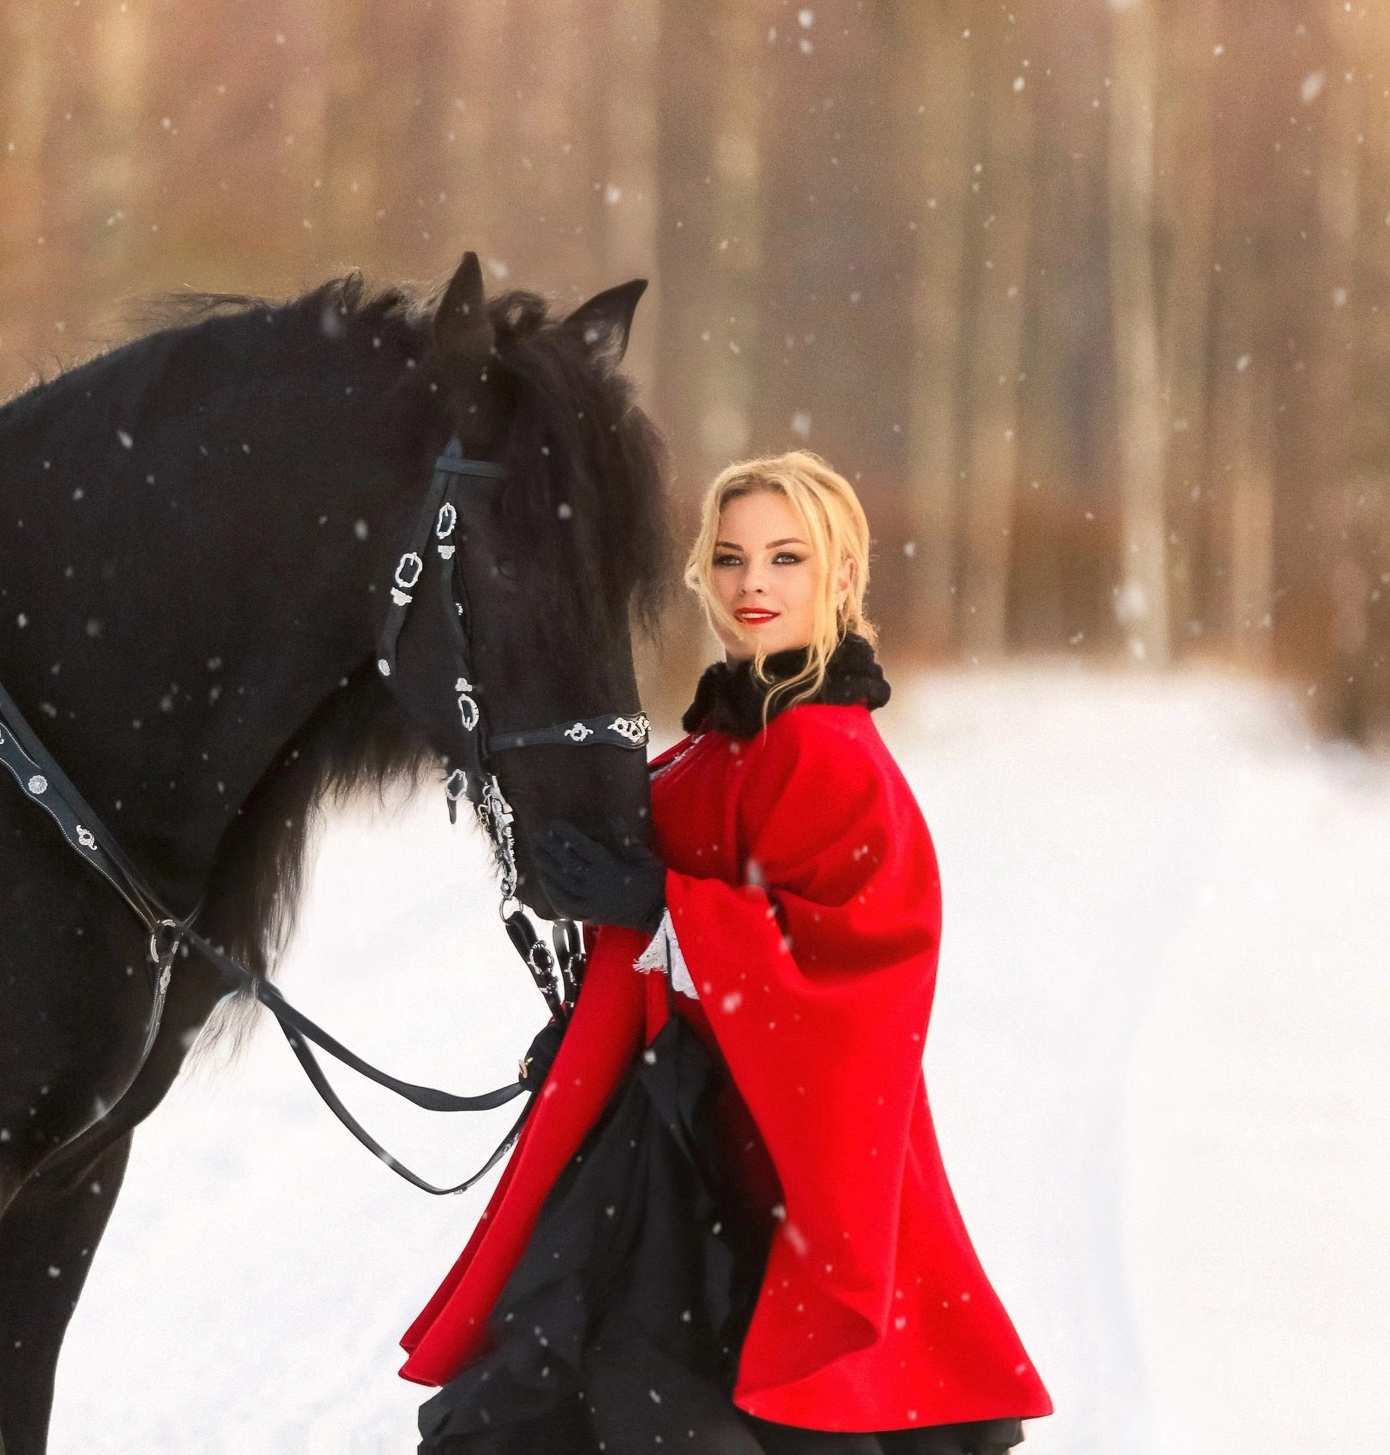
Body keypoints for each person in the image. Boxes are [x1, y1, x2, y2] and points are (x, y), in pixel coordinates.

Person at [397, 451, 1053, 1454]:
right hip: (679, 1133)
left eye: (787, 558)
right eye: (732, 557)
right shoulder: (717, 741)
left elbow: (858, 980)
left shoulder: (828, 753)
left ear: (840, 579)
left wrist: (662, 906)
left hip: (773, 1170)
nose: (754, 584)